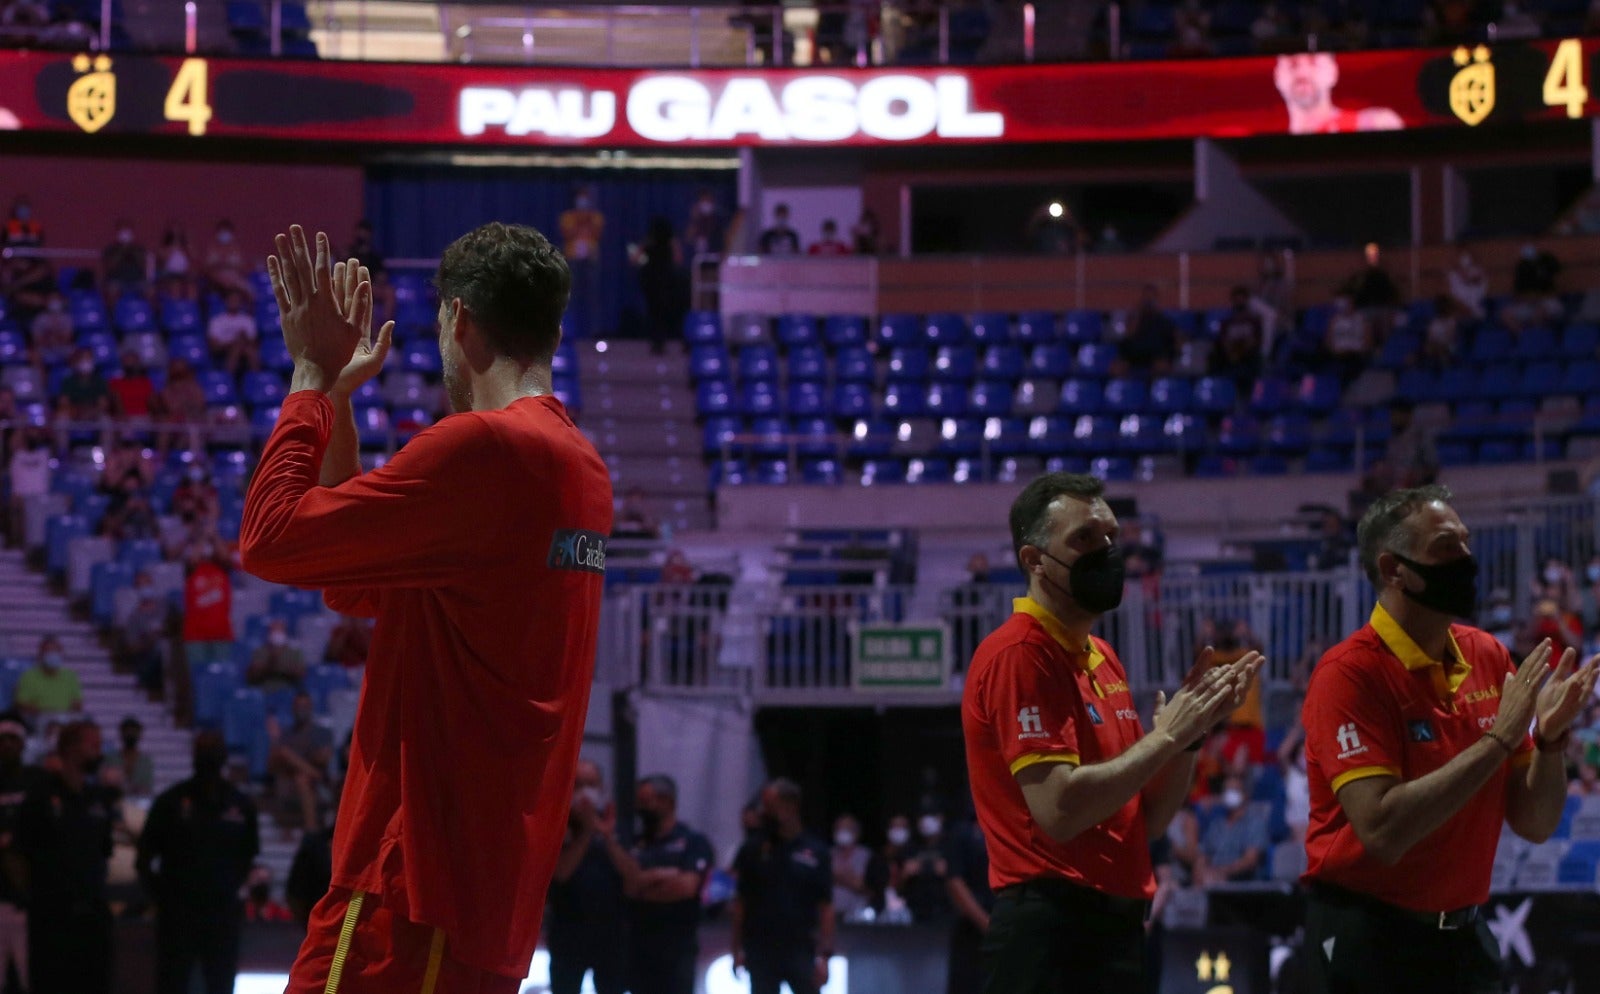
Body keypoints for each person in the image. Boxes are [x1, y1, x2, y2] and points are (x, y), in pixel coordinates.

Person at [244, 223, 612, 994]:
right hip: (487, 904)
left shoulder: (481, 449)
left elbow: (270, 539)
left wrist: (309, 376)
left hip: (410, 894)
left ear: (459, 321)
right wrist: (343, 403)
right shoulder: (582, 470)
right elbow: (355, 585)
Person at [962, 471, 1259, 994]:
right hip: (1050, 931)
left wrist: (1189, 738)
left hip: (1117, 928)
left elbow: (1147, 823)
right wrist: (1164, 739)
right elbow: (1059, 810)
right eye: (1083, 539)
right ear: (1034, 560)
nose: (1105, 551)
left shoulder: (1104, 659)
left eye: (1110, 538)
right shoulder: (1019, 655)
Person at [1301, 485, 1600, 994]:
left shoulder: (1488, 655)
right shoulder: (1348, 674)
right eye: (1446, 546)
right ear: (1394, 569)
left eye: (1465, 542)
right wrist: (1498, 742)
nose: (1466, 557)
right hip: (1369, 940)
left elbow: (1534, 822)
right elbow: (1383, 829)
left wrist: (1549, 743)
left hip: (1465, 940)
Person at [137, 730, 260, 994]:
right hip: (178, 915)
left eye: (213, 749)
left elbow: (248, 856)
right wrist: (163, 898)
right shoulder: (170, 802)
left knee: (221, 984)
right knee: (173, 983)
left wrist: (229, 893)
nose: (209, 756)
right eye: (204, 749)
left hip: (222, 915)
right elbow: (144, 859)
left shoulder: (240, 805)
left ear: (223, 756)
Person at [19, 718, 117, 994]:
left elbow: (104, 852)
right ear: (72, 748)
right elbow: (21, 852)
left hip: (93, 915)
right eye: (93, 745)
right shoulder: (40, 797)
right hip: (52, 918)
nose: (100, 752)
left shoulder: (98, 800)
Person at [594, 774, 713, 994]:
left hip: (677, 949)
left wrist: (641, 885)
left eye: (646, 801)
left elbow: (686, 887)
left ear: (667, 801)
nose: (641, 808)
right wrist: (662, 874)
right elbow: (628, 883)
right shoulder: (637, 842)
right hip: (638, 949)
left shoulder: (692, 840)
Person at [731, 778, 834, 994]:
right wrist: (736, 948)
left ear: (790, 807)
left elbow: (826, 906)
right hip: (760, 949)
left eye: (769, 807)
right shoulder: (753, 849)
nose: (763, 813)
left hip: (801, 948)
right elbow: (741, 901)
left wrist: (824, 956)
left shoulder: (816, 851)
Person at [547, 760, 627, 994]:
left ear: (601, 787)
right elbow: (561, 873)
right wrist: (587, 831)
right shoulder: (556, 824)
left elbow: (632, 878)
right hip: (567, 937)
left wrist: (607, 836)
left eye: (591, 784)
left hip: (611, 937)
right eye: (579, 784)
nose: (585, 791)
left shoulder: (615, 825)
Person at [1274, 52, 1403, 134]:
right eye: (1292, 64)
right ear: (1277, 77)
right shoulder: (1270, 152)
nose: (1303, 71)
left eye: (1313, 62)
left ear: (1333, 72)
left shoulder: (1376, 124)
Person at [0, 713, 36, 994]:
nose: (7, 745)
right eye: (2, 739)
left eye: (13, 739)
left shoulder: (37, 782)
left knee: (29, 978)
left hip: (28, 898)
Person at [268, 691, 334, 832]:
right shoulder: (287, 734)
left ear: (311, 707)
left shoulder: (321, 732)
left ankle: (311, 830)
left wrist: (292, 758)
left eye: (305, 706)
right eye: (298, 706)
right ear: (293, 708)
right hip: (290, 781)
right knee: (296, 771)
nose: (301, 710)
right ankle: (308, 829)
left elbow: (324, 756)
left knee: (301, 777)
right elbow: (274, 761)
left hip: (319, 784)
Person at [943, 818, 993, 994]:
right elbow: (954, 882)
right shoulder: (962, 832)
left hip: (1006, 927)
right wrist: (987, 924)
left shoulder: (1008, 825)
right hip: (971, 931)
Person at [1194, 774, 1270, 884]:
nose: (1229, 794)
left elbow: (1250, 860)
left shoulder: (1255, 823)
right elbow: (1202, 856)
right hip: (1211, 879)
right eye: (1227, 790)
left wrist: (1220, 872)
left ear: (1245, 795)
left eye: (1234, 790)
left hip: (1240, 881)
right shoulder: (1216, 825)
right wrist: (1200, 872)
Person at [631, 216, 684, 355]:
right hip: (661, 281)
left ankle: (658, 342)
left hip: (654, 280)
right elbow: (678, 259)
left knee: (655, 312)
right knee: (660, 312)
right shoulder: (665, 243)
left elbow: (635, 258)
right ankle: (659, 342)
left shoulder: (649, 243)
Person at [181, 540, 235, 669]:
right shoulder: (191, 571)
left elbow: (226, 557)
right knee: (198, 677)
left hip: (221, 633)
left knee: (222, 675)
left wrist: (213, 534)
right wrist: (204, 536)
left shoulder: (223, 569)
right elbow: (192, 559)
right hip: (195, 635)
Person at [559, 189, 605, 337]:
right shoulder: (567, 217)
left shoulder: (596, 217)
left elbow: (597, 233)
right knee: (571, 297)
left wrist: (587, 221)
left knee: (593, 298)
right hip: (573, 259)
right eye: (580, 199)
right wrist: (580, 221)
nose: (583, 202)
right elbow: (568, 233)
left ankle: (594, 331)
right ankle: (569, 331)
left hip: (591, 259)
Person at [15, 635, 82, 726]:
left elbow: (77, 703)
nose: (52, 655)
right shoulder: (29, 676)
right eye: (48, 651)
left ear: (61, 653)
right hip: (39, 720)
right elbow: (22, 703)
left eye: (55, 651)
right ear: (40, 654)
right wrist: (47, 715)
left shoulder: (71, 676)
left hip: (66, 720)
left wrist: (64, 716)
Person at [1114, 285, 1179, 376]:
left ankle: (1155, 388)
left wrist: (1171, 355)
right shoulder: (1135, 317)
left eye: (1151, 299)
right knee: (1117, 368)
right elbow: (1128, 334)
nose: (1148, 302)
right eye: (1146, 298)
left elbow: (1175, 339)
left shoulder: (1163, 320)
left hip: (1156, 354)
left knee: (1162, 366)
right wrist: (1138, 314)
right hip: (1134, 354)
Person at [1210, 285, 1264, 390]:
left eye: (1241, 300)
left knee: (1256, 357)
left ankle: (1251, 392)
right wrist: (1231, 352)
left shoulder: (1254, 322)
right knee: (1214, 356)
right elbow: (1223, 341)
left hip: (1247, 356)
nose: (1239, 302)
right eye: (1236, 300)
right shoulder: (1226, 322)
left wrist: (1240, 352)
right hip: (1229, 355)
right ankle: (1217, 389)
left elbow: (1255, 341)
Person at [246, 618, 307, 694]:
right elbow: (252, 675)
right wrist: (271, 659)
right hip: (265, 689)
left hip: (288, 690)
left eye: (280, 631)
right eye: (274, 631)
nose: (277, 634)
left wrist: (285, 667)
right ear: (269, 633)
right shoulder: (260, 651)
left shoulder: (295, 652)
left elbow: (301, 673)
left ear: (285, 633)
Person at [207, 291, 260, 376]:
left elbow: (253, 342)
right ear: (226, 301)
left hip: (245, 349)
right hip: (223, 350)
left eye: (236, 300)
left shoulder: (247, 320)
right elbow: (214, 345)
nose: (234, 302)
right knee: (236, 347)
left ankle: (256, 378)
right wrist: (233, 342)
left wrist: (243, 338)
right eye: (231, 300)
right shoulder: (217, 321)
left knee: (248, 350)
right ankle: (229, 377)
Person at [829, 814, 871, 921]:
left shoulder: (866, 855)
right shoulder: (829, 854)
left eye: (847, 828)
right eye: (839, 828)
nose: (842, 831)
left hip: (857, 917)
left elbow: (863, 886)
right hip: (832, 915)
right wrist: (849, 877)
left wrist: (837, 876)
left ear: (856, 833)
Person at [55, 347, 111, 424]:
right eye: (82, 359)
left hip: (94, 414)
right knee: (61, 419)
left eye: (88, 358)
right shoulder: (68, 381)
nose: (85, 362)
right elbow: (63, 404)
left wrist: (90, 412)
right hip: (73, 413)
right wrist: (77, 412)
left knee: (105, 420)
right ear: (76, 362)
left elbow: (103, 404)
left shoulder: (99, 381)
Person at [101, 219, 149, 304]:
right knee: (111, 292)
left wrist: (131, 250)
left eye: (127, 230)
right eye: (122, 230)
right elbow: (110, 266)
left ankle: (151, 315)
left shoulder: (138, 248)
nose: (125, 233)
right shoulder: (111, 249)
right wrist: (121, 250)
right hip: (117, 280)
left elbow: (143, 265)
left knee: (150, 291)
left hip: (136, 280)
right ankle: (112, 315)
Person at [203, 219, 253, 300]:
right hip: (216, 282)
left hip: (235, 280)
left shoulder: (236, 249)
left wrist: (226, 266)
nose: (224, 234)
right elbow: (207, 269)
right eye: (222, 231)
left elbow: (242, 267)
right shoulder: (212, 249)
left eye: (226, 231)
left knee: (251, 292)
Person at [108, 715, 155, 798]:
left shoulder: (146, 761)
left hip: (139, 803)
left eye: (133, 732)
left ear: (139, 735)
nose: (130, 735)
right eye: (127, 732)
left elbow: (147, 786)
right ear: (121, 734)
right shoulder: (111, 759)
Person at [684, 189, 725, 258]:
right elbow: (688, 238)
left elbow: (724, 242)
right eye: (703, 201)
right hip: (697, 260)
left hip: (714, 259)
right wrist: (695, 219)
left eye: (708, 201)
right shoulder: (695, 220)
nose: (706, 204)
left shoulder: (719, 220)